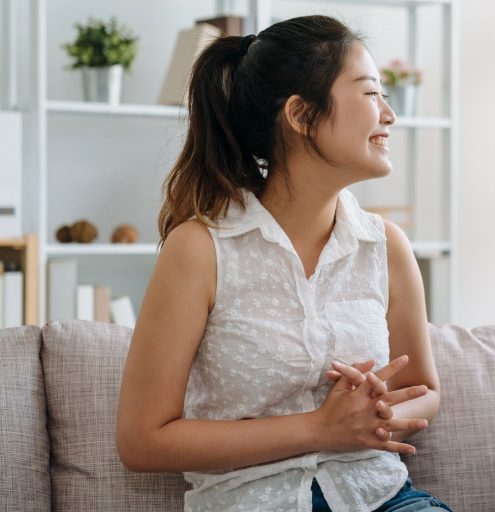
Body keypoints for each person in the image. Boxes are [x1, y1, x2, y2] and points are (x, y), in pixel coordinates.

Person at [115, 15, 450, 512]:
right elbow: (142, 440)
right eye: (369, 93)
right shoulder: (201, 249)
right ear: (301, 115)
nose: (389, 114)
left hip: (382, 497)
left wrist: (379, 410)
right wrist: (318, 429)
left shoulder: (387, 246)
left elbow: (424, 390)